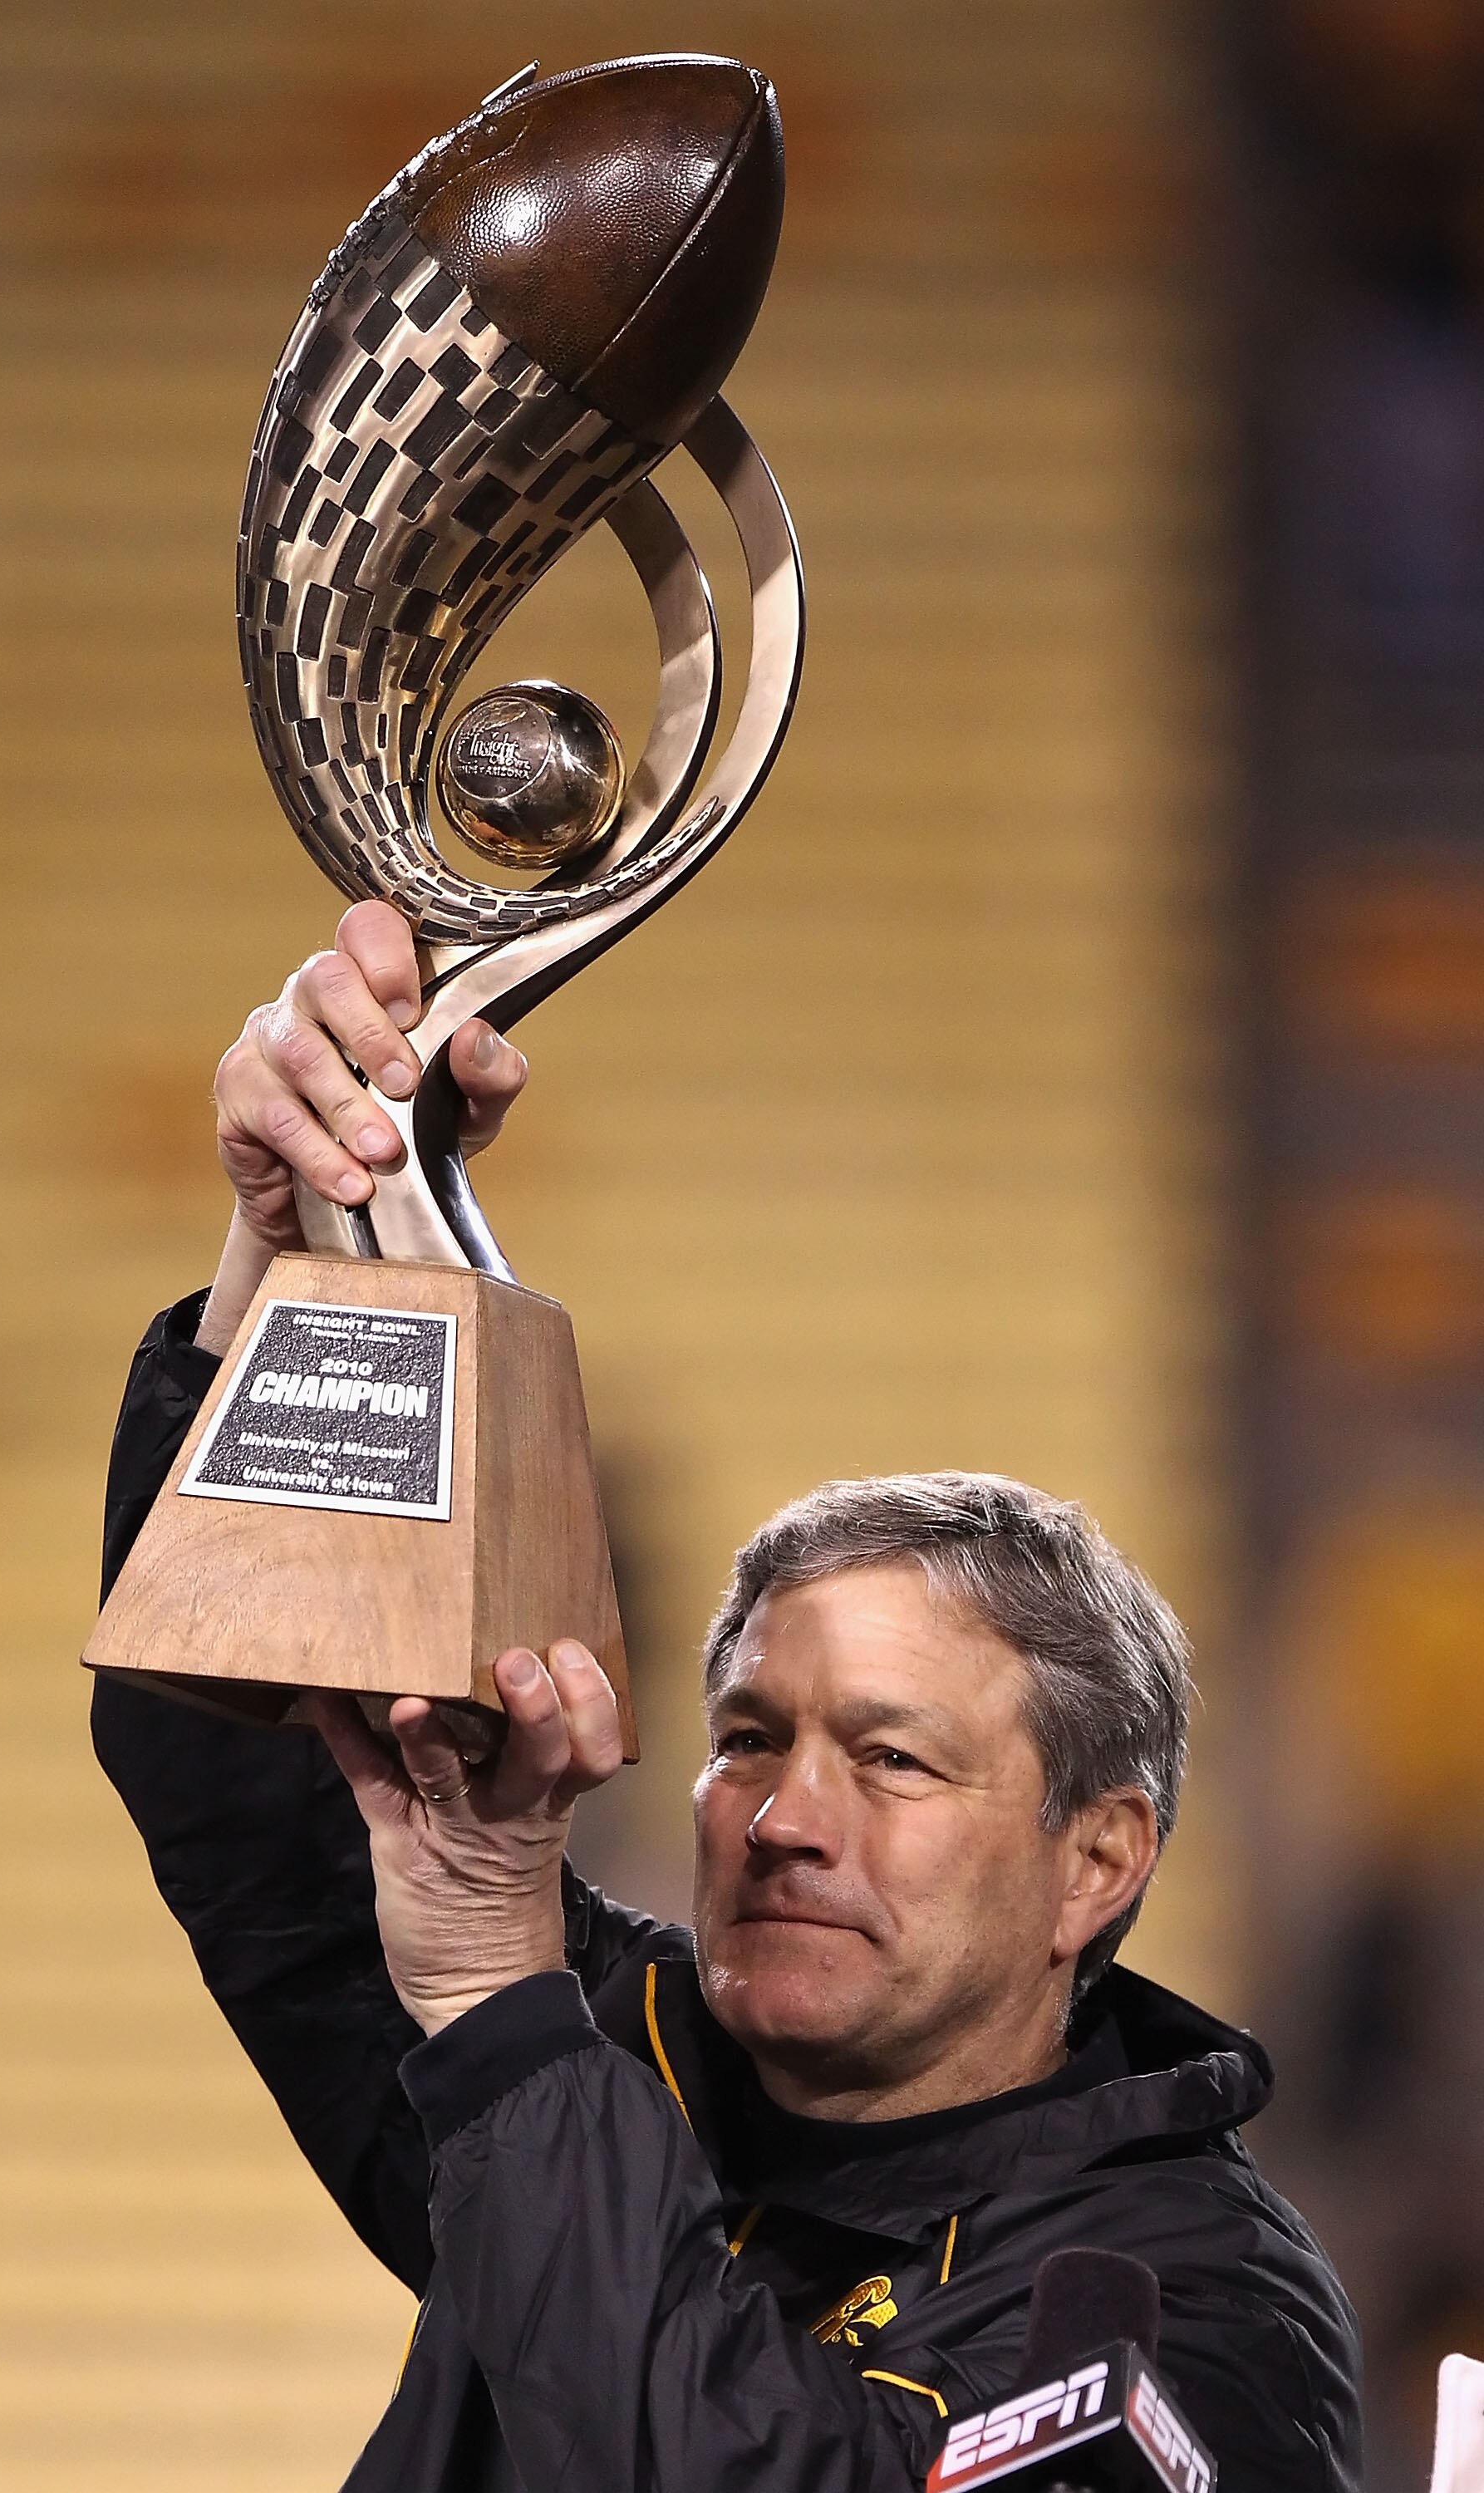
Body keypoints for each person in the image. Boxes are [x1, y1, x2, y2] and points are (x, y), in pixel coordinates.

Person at [93, 902, 1364, 2493]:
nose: (783, 1821)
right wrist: (301, 1250)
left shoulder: (1196, 2302)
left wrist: (496, 2000)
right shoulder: (609, 2042)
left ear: (1097, 1859)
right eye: (751, 1740)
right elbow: (228, 1749)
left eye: (892, 1761)